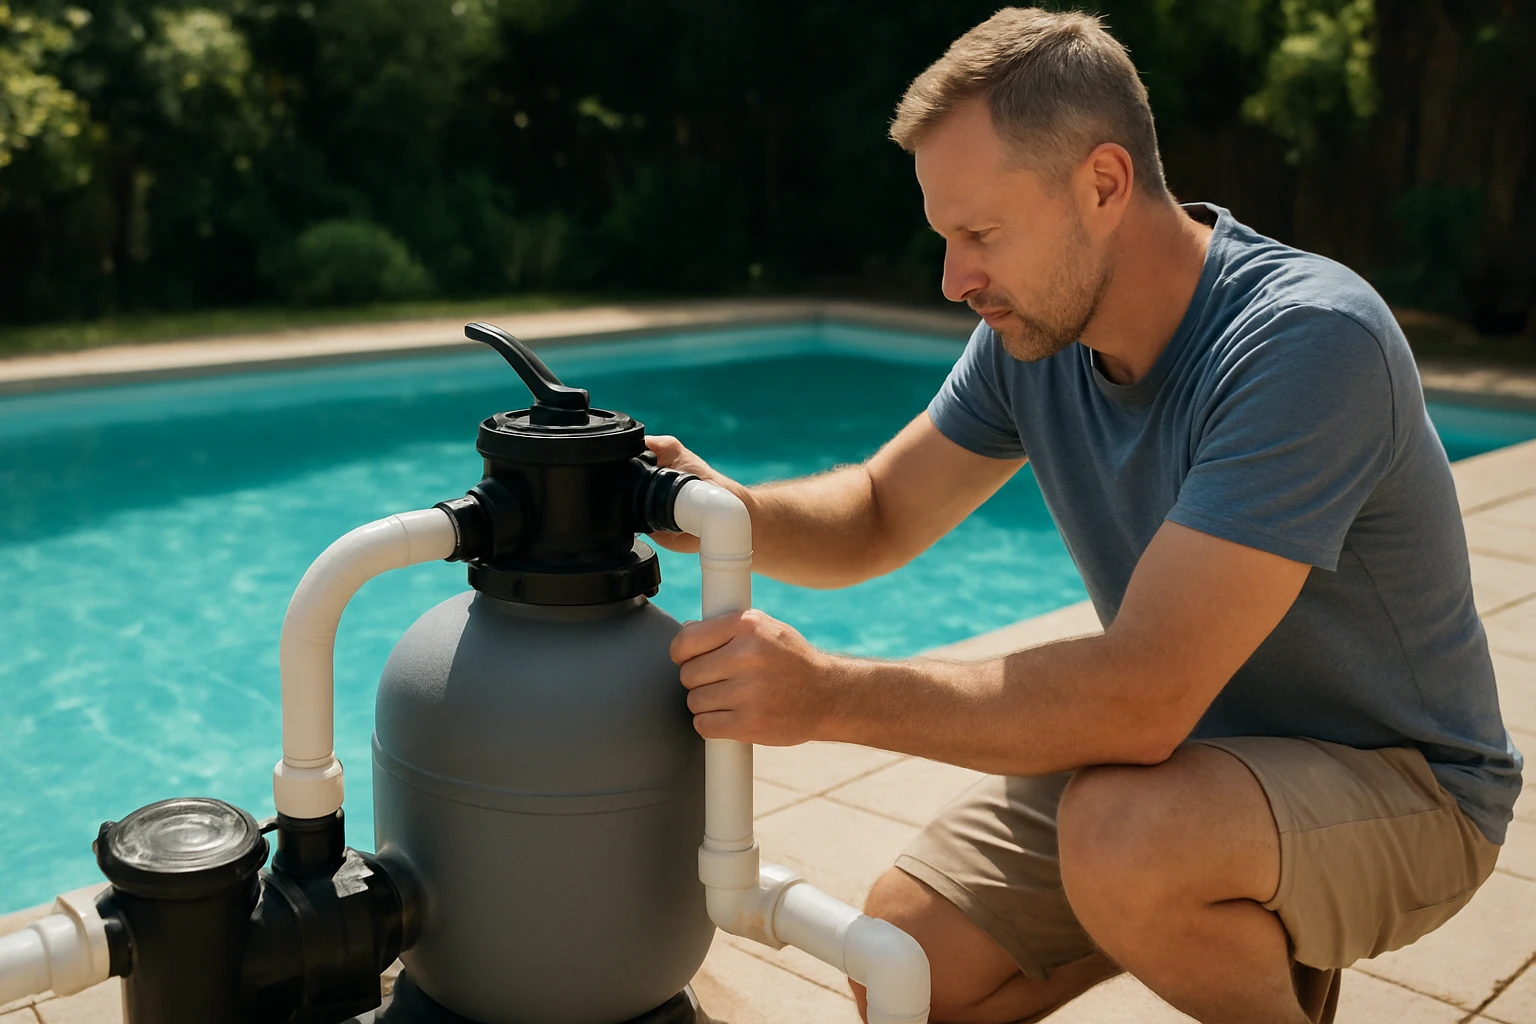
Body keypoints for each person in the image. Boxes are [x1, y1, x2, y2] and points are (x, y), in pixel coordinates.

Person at [645, 8, 1523, 1023]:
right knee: (913, 958)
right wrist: (724, 508)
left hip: (1405, 787)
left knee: (1122, 836)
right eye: (945, 238)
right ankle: (1221, 927)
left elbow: (1141, 697)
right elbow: (882, 510)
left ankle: (1234, 934)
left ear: (1103, 184)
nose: (954, 279)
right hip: (1187, 762)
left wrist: (826, 696)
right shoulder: (1042, 333)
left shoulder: (1305, 342)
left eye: (980, 234)